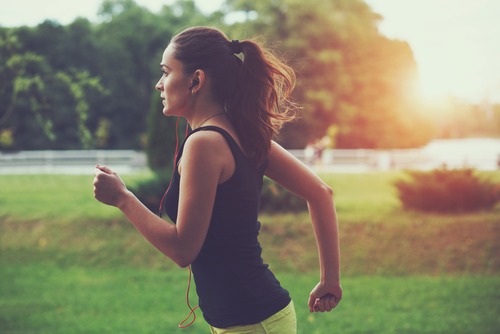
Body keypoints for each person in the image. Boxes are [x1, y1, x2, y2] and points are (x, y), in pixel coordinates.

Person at [93, 26, 342, 333]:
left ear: (196, 80)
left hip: (251, 323)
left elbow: (183, 249)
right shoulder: (244, 132)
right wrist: (330, 279)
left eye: (166, 72)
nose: (159, 84)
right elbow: (320, 193)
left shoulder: (205, 144)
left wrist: (122, 199)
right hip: (250, 318)